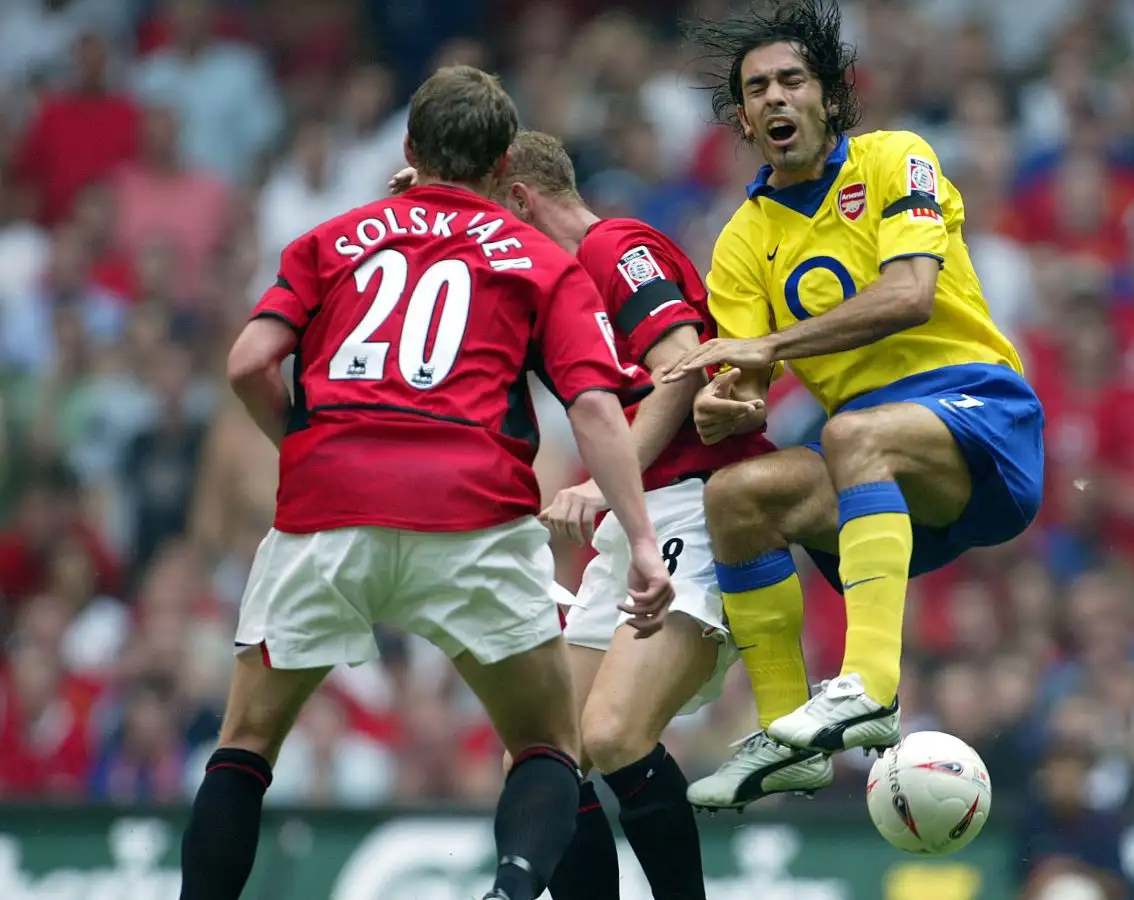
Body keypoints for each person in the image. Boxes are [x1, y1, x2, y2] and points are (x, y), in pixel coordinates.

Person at [179, 66, 673, 900]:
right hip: (471, 513)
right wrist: (643, 545)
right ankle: (512, 889)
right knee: (549, 744)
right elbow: (592, 405)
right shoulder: (540, 261)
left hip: (326, 510)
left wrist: (303, 444)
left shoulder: (328, 238)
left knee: (246, 744)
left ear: (409, 149)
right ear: (507, 160)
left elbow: (248, 363)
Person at [669, 0, 1045, 809]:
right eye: (758, 88)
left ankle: (870, 683)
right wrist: (721, 407)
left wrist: (769, 348)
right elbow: (743, 390)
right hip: (875, 462)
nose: (775, 98)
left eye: (791, 81)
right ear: (742, 118)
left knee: (851, 432)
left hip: (980, 413)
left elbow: (910, 295)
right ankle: (787, 737)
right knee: (736, 497)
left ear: (830, 96)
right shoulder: (742, 240)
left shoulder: (894, 160)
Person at [390, 128, 781, 900]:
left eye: (487, 217)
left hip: (697, 508)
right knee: (542, 755)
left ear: (522, 200)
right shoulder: (545, 289)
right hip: (638, 524)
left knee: (612, 734)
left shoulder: (615, 248)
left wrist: (606, 483)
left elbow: (680, 366)